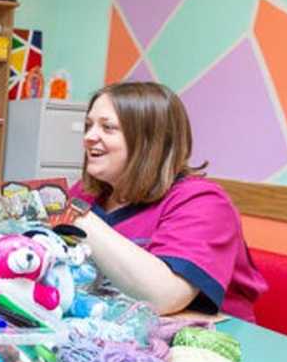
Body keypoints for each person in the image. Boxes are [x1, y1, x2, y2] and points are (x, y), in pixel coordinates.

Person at [64, 81, 266, 321]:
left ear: (149, 141)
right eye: (88, 126)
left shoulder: (204, 203)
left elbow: (163, 297)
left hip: (203, 345)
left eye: (107, 128)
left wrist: (78, 220)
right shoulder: (86, 193)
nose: (88, 137)